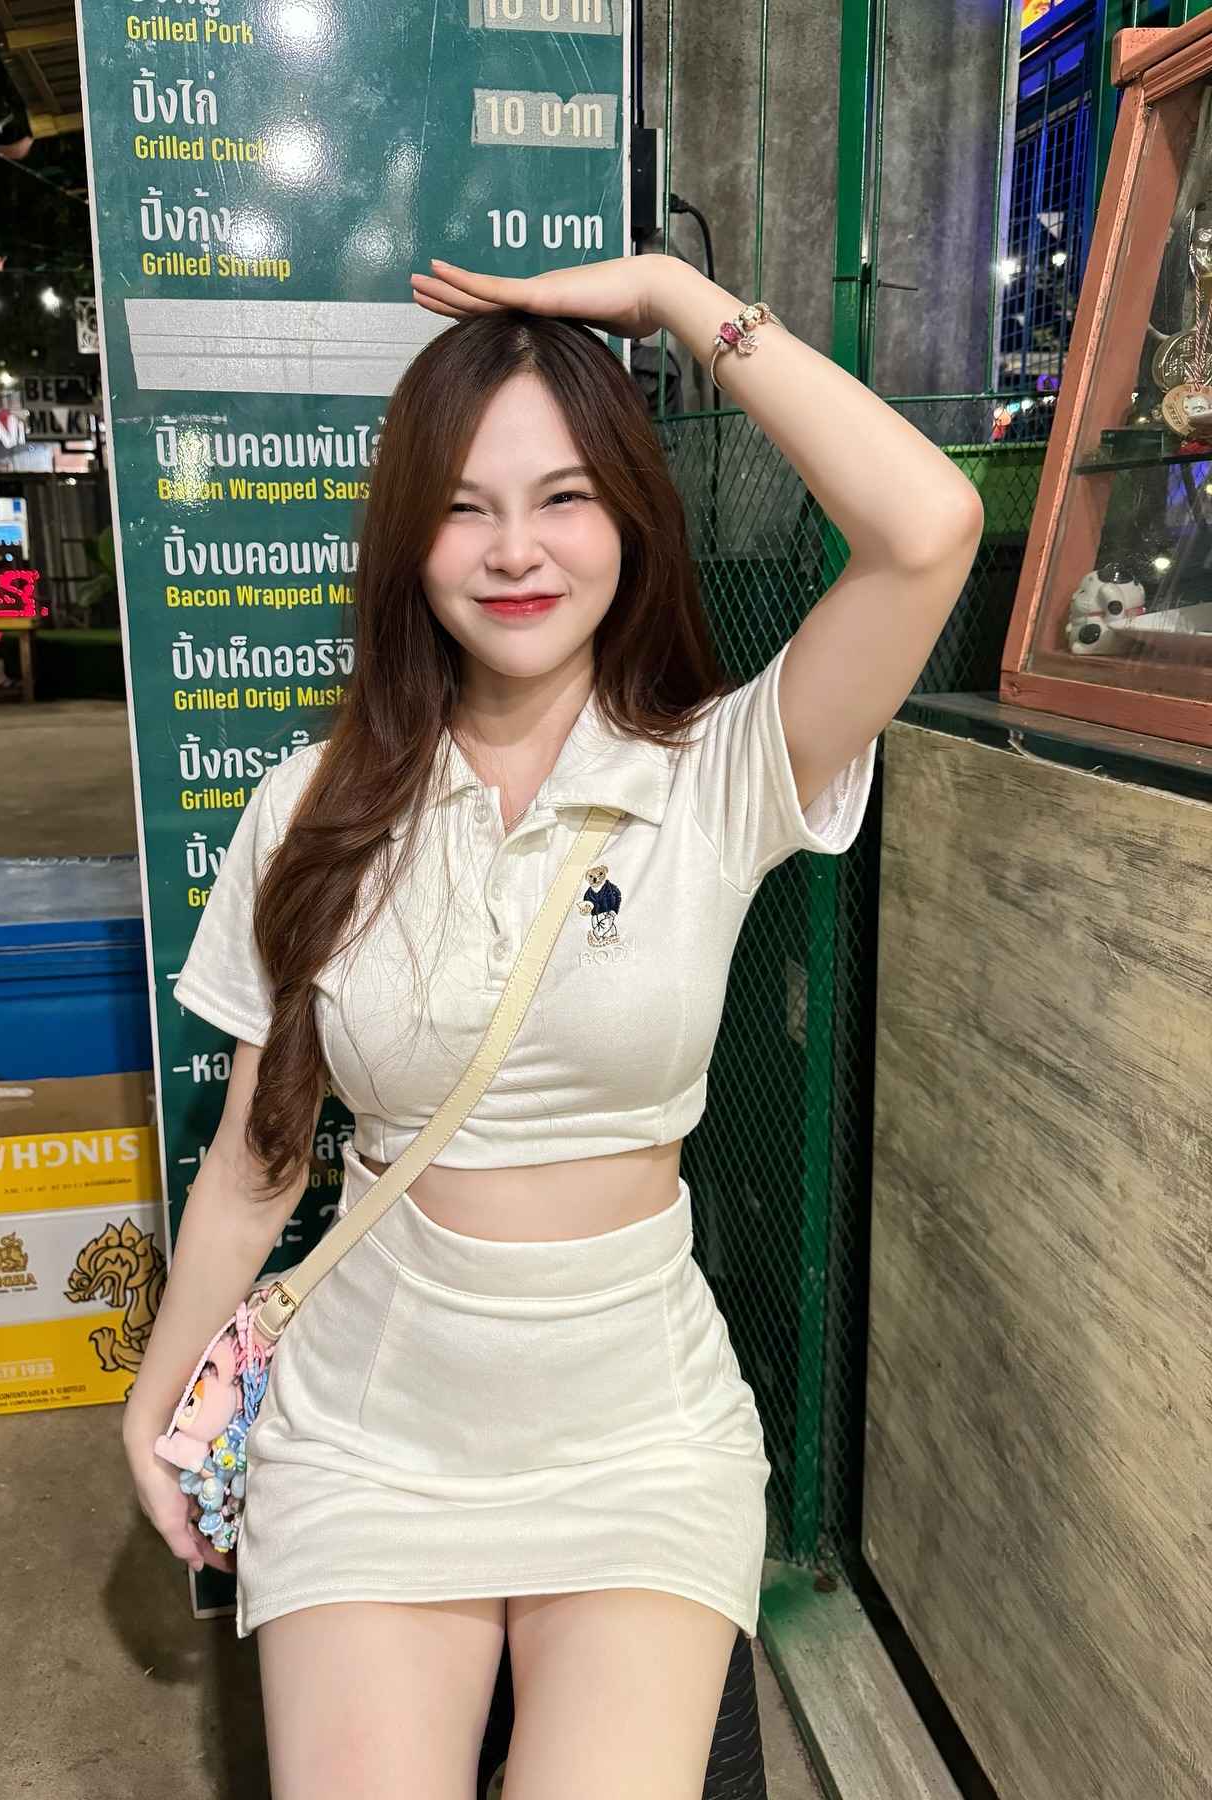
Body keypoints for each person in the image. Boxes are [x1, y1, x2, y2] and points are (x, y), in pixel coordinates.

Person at [122, 252, 983, 1798]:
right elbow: (259, 1158)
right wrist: (160, 1389)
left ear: (630, 520)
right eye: (463, 507)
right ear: (407, 541)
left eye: (564, 498)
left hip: (634, 1434)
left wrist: (670, 294)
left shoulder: (718, 769)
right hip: (371, 1428)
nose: (515, 550)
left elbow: (928, 529)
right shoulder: (310, 810)